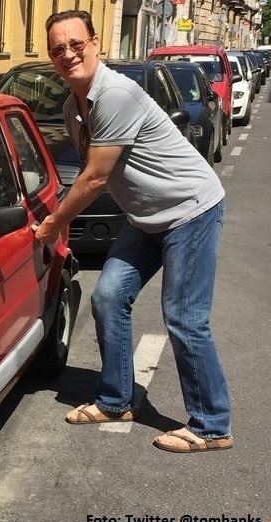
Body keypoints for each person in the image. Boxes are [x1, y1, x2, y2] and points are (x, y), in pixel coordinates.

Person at [34, 10, 232, 453]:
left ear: (95, 43)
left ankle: (212, 425)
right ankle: (117, 399)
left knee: (184, 318)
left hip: (190, 210)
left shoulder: (115, 94)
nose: (68, 54)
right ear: (51, 56)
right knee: (107, 296)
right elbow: (87, 173)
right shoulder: (73, 107)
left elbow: (96, 178)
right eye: (58, 48)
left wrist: (53, 223)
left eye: (75, 44)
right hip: (146, 219)